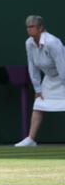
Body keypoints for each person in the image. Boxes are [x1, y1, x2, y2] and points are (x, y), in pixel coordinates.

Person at [15, 15, 65, 147]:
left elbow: (62, 65)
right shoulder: (29, 43)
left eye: (32, 27)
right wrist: (37, 88)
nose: (29, 30)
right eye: (27, 27)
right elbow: (32, 66)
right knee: (38, 105)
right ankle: (31, 139)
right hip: (50, 78)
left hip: (63, 75)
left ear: (41, 28)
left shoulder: (53, 42)